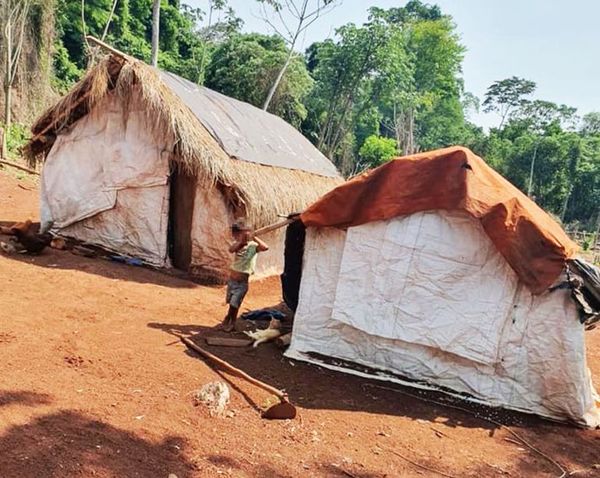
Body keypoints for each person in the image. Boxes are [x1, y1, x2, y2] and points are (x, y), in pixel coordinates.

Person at [219, 222, 269, 332]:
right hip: (232, 280)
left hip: (242, 283)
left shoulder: (254, 247)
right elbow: (231, 249)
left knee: (234, 304)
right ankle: (228, 317)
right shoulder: (237, 245)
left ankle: (232, 323)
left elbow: (266, 247)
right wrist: (242, 241)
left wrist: (254, 237)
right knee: (230, 302)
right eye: (240, 235)